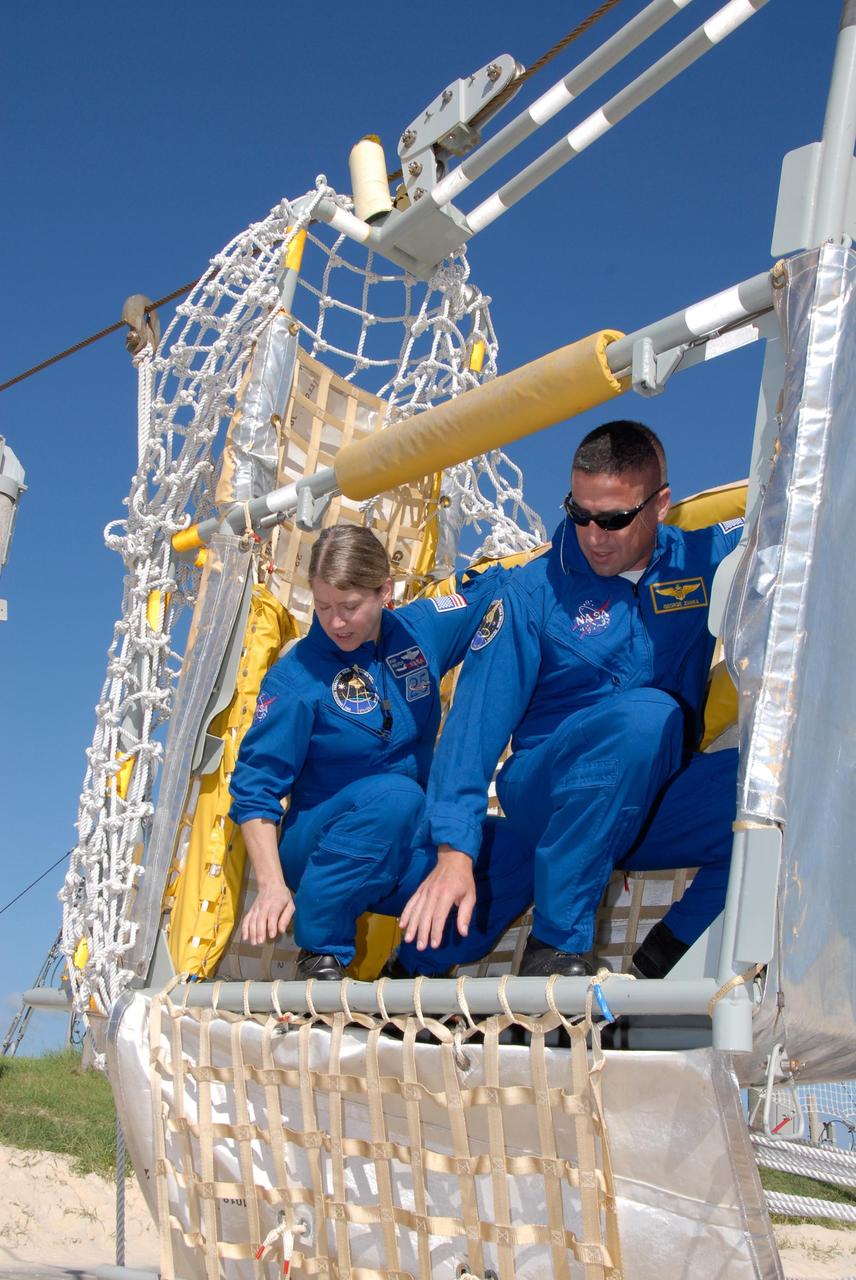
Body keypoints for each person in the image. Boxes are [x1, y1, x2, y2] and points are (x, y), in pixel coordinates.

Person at [397, 420, 743, 979]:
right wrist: (453, 854)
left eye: (613, 519)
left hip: (651, 794)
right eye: (579, 514)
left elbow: (790, 529)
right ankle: (554, 948)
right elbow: (474, 729)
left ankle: (660, 961)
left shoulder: (703, 560)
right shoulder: (532, 593)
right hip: (545, 787)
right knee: (646, 717)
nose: (593, 535)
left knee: (781, 788)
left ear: (660, 505)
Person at [229, 523, 528, 980]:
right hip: (318, 851)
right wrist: (270, 886)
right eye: (323, 605)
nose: (335, 622)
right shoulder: (294, 681)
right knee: (396, 796)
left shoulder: (420, 630)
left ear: (385, 591)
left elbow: (495, 589)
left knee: (521, 851)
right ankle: (320, 952)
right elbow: (254, 793)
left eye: (349, 606)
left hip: (406, 841)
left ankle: (416, 969)